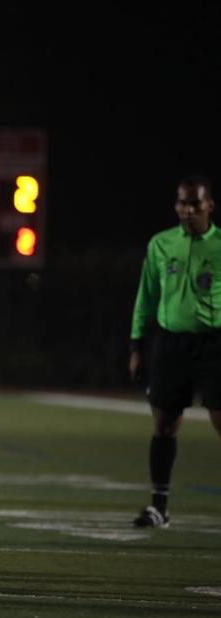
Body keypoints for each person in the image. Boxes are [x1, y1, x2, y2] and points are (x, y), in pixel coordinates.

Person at [129, 175, 221, 528]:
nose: (187, 210)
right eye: (182, 203)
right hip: (171, 343)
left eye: (195, 204)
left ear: (209, 205)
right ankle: (159, 507)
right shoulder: (161, 244)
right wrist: (137, 345)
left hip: (214, 342)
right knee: (165, 423)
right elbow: (146, 297)